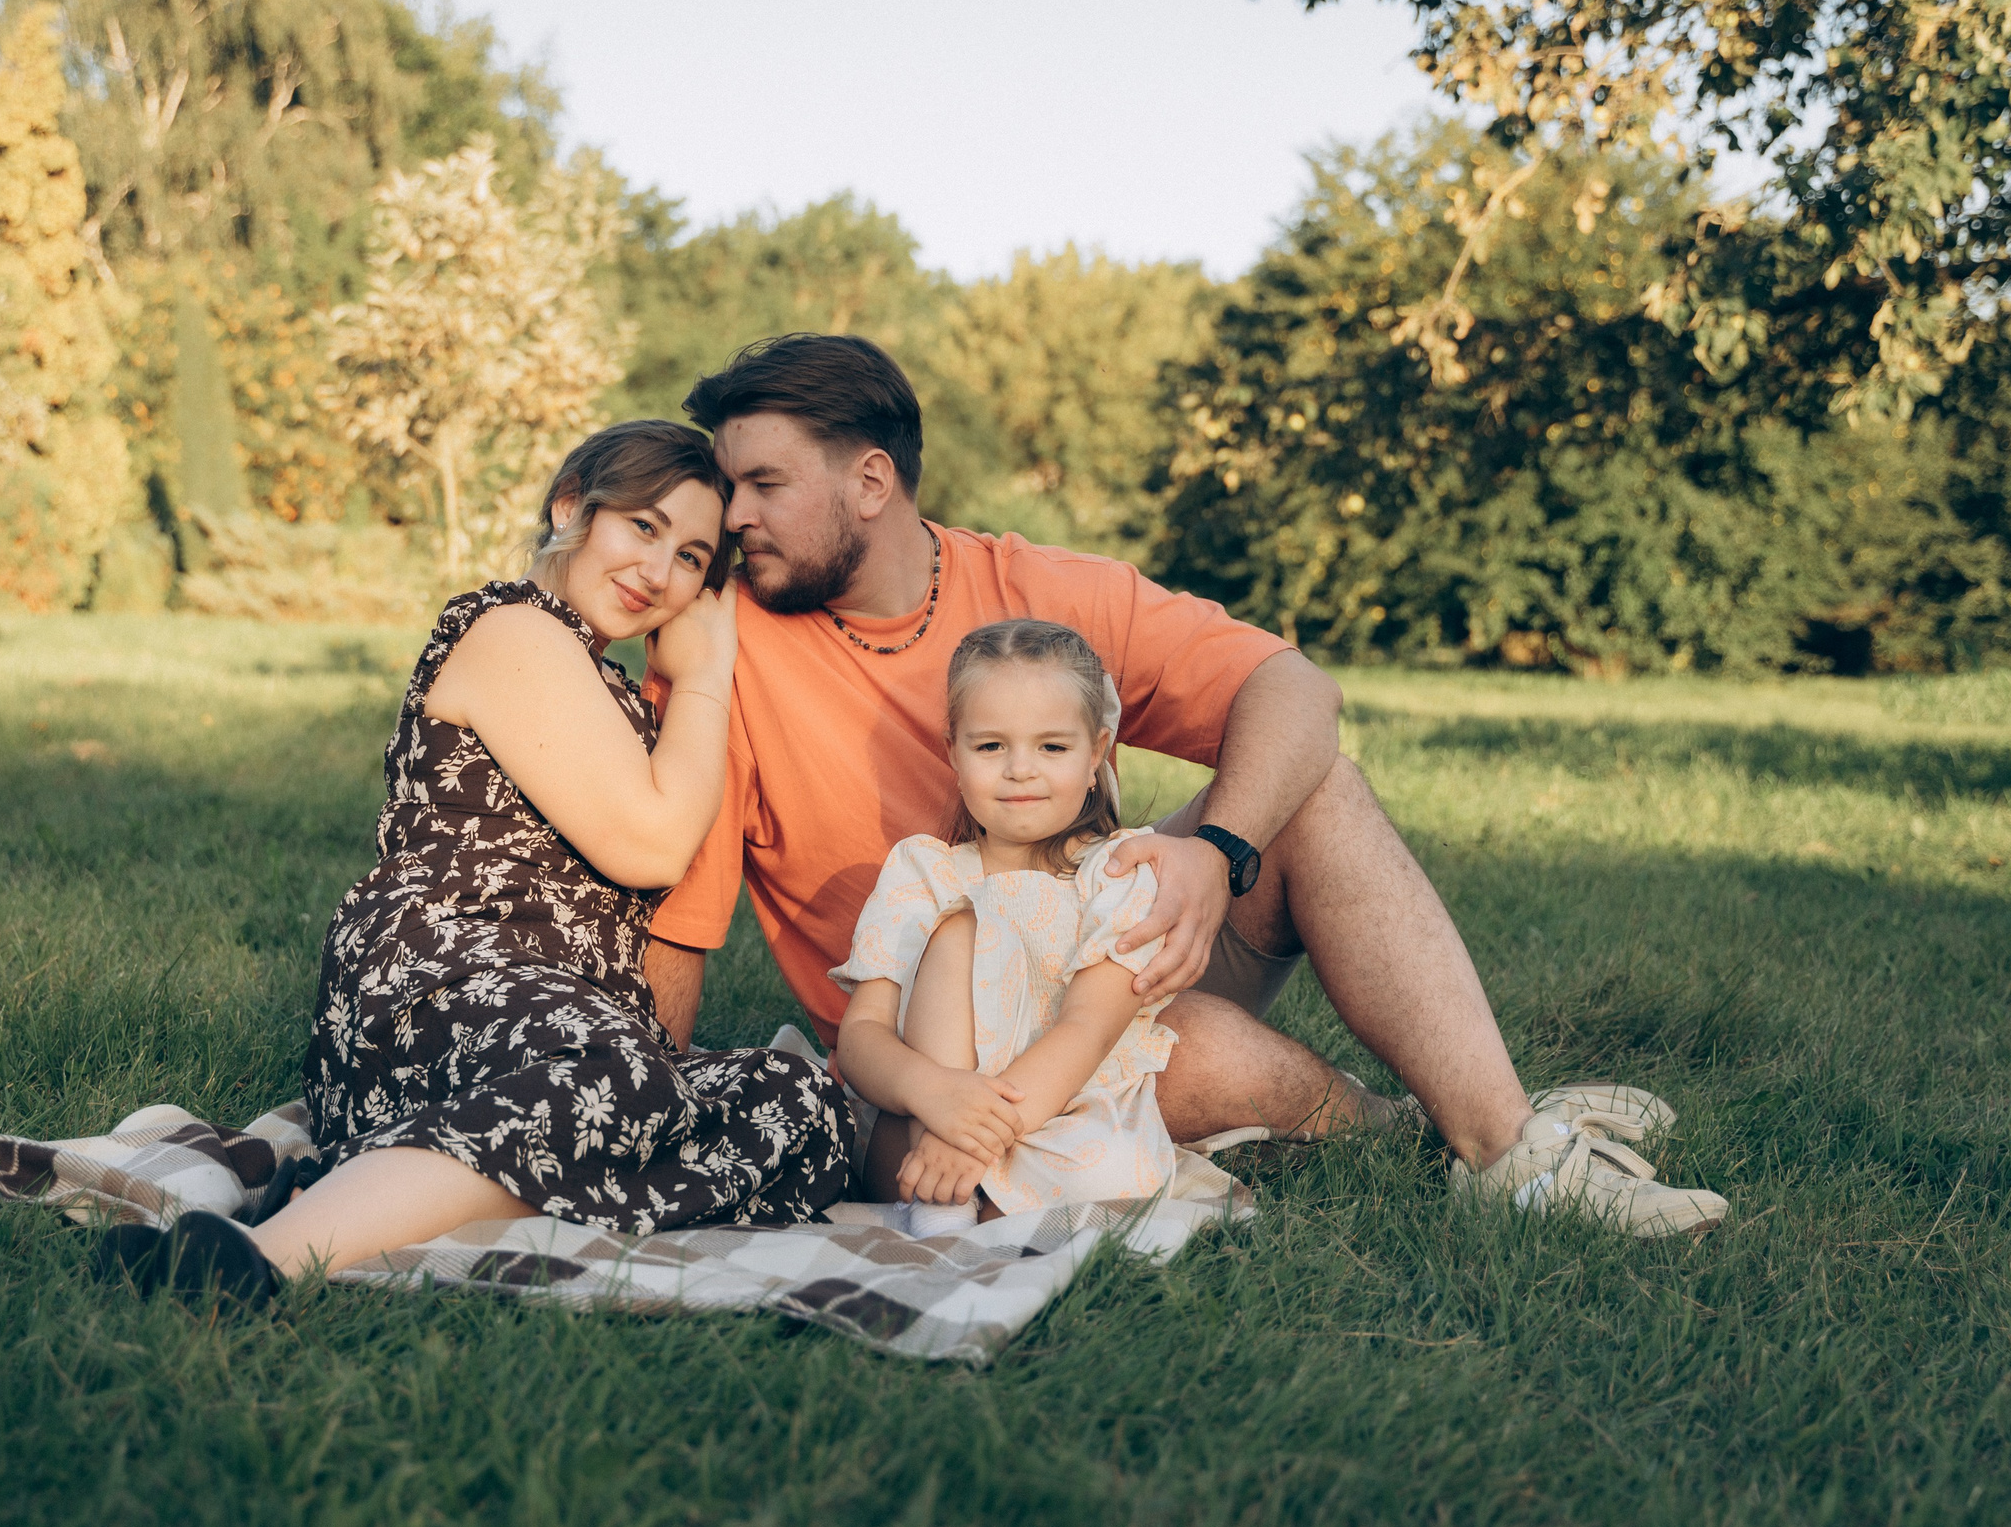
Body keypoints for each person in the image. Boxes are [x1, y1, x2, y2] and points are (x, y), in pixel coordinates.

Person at [643, 334, 1728, 1239]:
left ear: (869, 480)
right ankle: (1428, 1125)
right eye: (729, 486)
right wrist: (644, 1122)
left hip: (1111, 956)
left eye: (762, 485)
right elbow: (680, 925)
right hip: (946, 1056)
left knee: (1317, 788)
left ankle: (1508, 1155)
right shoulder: (721, 652)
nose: (730, 515)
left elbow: (1293, 685)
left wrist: (1220, 852)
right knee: (1202, 1052)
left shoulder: (1036, 589)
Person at [104, 420, 853, 1302]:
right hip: (439, 975)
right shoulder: (511, 630)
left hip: (558, 1027)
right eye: (642, 527)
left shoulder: (597, 674)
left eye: (692, 557)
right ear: (572, 504)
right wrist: (703, 676)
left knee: (798, 1102)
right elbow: (653, 846)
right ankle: (256, 1260)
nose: (660, 572)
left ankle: (392, 1191)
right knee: (618, 1078)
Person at [834, 619, 1394, 1237]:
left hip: (1066, 1113)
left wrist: (975, 1139)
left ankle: (979, 1197)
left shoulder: (1120, 874)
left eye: (1052, 747)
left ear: (1096, 753)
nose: (1021, 770)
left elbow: (1085, 1028)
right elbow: (861, 1035)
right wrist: (938, 1099)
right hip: (920, 1129)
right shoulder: (923, 871)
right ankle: (948, 1204)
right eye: (991, 747)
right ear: (953, 752)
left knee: (1063, 1177)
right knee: (958, 933)